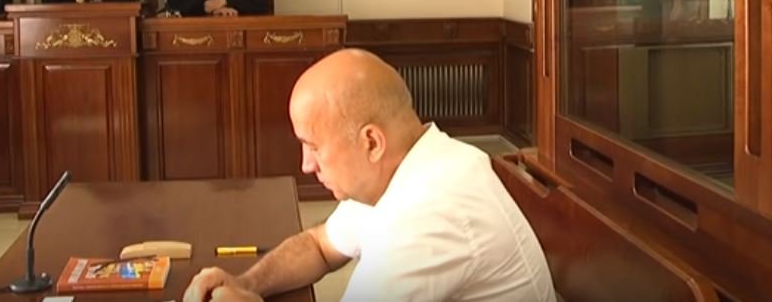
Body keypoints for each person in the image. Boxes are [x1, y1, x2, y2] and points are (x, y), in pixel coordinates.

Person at [183, 49, 556, 302]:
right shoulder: (403, 165)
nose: (306, 165)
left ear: (372, 142)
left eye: (313, 146)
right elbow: (319, 245)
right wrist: (247, 284)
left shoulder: (431, 212)